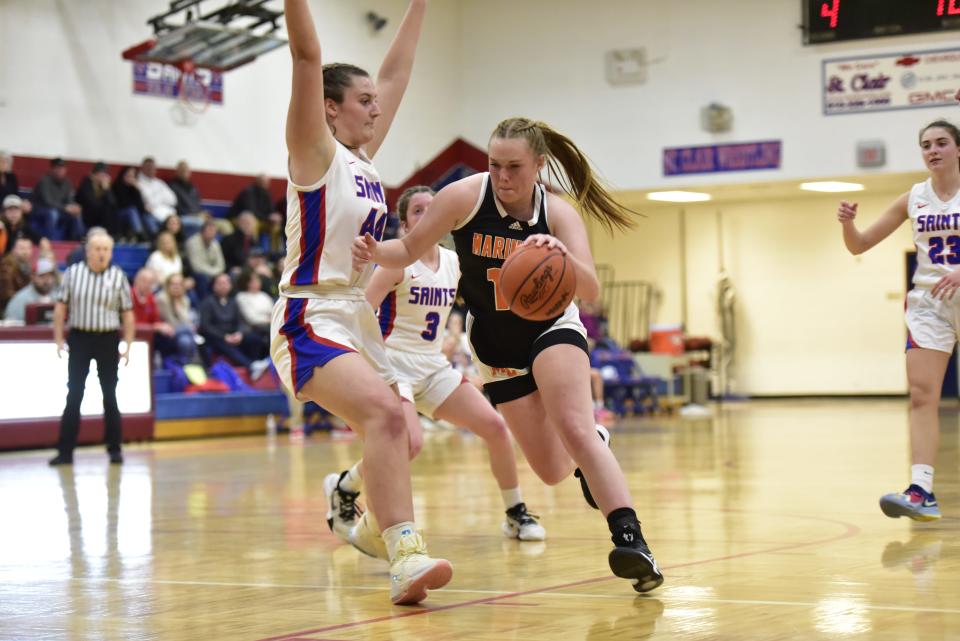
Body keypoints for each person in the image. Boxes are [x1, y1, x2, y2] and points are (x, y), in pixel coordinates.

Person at [353, 117, 664, 593]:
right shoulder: (462, 198)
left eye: (514, 167)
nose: (502, 177)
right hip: (497, 345)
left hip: (552, 326)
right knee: (551, 468)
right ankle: (595, 445)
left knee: (575, 427)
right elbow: (409, 249)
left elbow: (593, 290)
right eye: (494, 165)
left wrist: (560, 252)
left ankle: (632, 541)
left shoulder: (557, 212)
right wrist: (377, 250)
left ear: (539, 165)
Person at [270, 0, 450, 606]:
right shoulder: (312, 150)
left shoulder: (365, 160)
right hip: (309, 312)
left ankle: (366, 517)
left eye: (376, 100)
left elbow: (397, 74)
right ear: (330, 107)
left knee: (408, 434)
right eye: (364, 100)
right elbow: (306, 54)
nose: (378, 106)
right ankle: (405, 554)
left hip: (355, 316)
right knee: (382, 411)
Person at [326, 186, 546, 551]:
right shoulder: (395, 264)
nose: (426, 215)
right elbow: (360, 312)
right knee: (409, 444)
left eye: (432, 209)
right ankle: (349, 490)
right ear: (403, 223)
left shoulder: (453, 262)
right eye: (417, 211)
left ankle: (515, 512)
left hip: (433, 365)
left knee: (494, 426)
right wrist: (369, 364)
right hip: (395, 367)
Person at [837, 119, 960, 521]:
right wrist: (847, 223)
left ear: (958, 149)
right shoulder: (914, 197)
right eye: (926, 144)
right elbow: (860, 244)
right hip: (930, 304)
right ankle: (920, 489)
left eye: (942, 142)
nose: (933, 150)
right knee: (922, 396)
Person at [49, 229, 134, 465]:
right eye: (97, 249)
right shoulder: (73, 274)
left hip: (107, 339)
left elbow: (127, 314)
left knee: (110, 395)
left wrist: (127, 344)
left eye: (106, 249)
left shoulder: (118, 276)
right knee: (74, 394)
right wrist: (58, 340)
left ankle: (115, 449)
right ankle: (65, 452)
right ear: (87, 251)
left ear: (111, 252)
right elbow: (60, 309)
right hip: (80, 338)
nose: (101, 253)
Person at [199, 272, 270, 380]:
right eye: (220, 283)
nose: (224, 285)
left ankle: (256, 362)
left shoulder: (233, 302)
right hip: (216, 336)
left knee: (254, 338)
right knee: (222, 342)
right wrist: (224, 336)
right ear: (214, 286)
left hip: (233, 333)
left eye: (226, 282)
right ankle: (251, 365)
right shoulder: (207, 302)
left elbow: (240, 322)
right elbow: (205, 326)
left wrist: (240, 333)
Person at [31, 157, 84, 241]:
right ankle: (49, 241)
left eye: (63, 168)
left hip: (60, 210)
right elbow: (48, 201)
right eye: (58, 168)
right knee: (53, 213)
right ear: (52, 169)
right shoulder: (44, 181)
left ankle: (77, 240)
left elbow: (69, 200)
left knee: (76, 212)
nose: (60, 170)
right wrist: (65, 208)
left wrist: (73, 207)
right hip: (41, 210)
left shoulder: (67, 182)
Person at [3, 257, 58, 322]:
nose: (46, 280)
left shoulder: (58, 296)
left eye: (50, 276)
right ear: (32, 277)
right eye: (42, 276)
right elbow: (10, 327)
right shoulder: (20, 300)